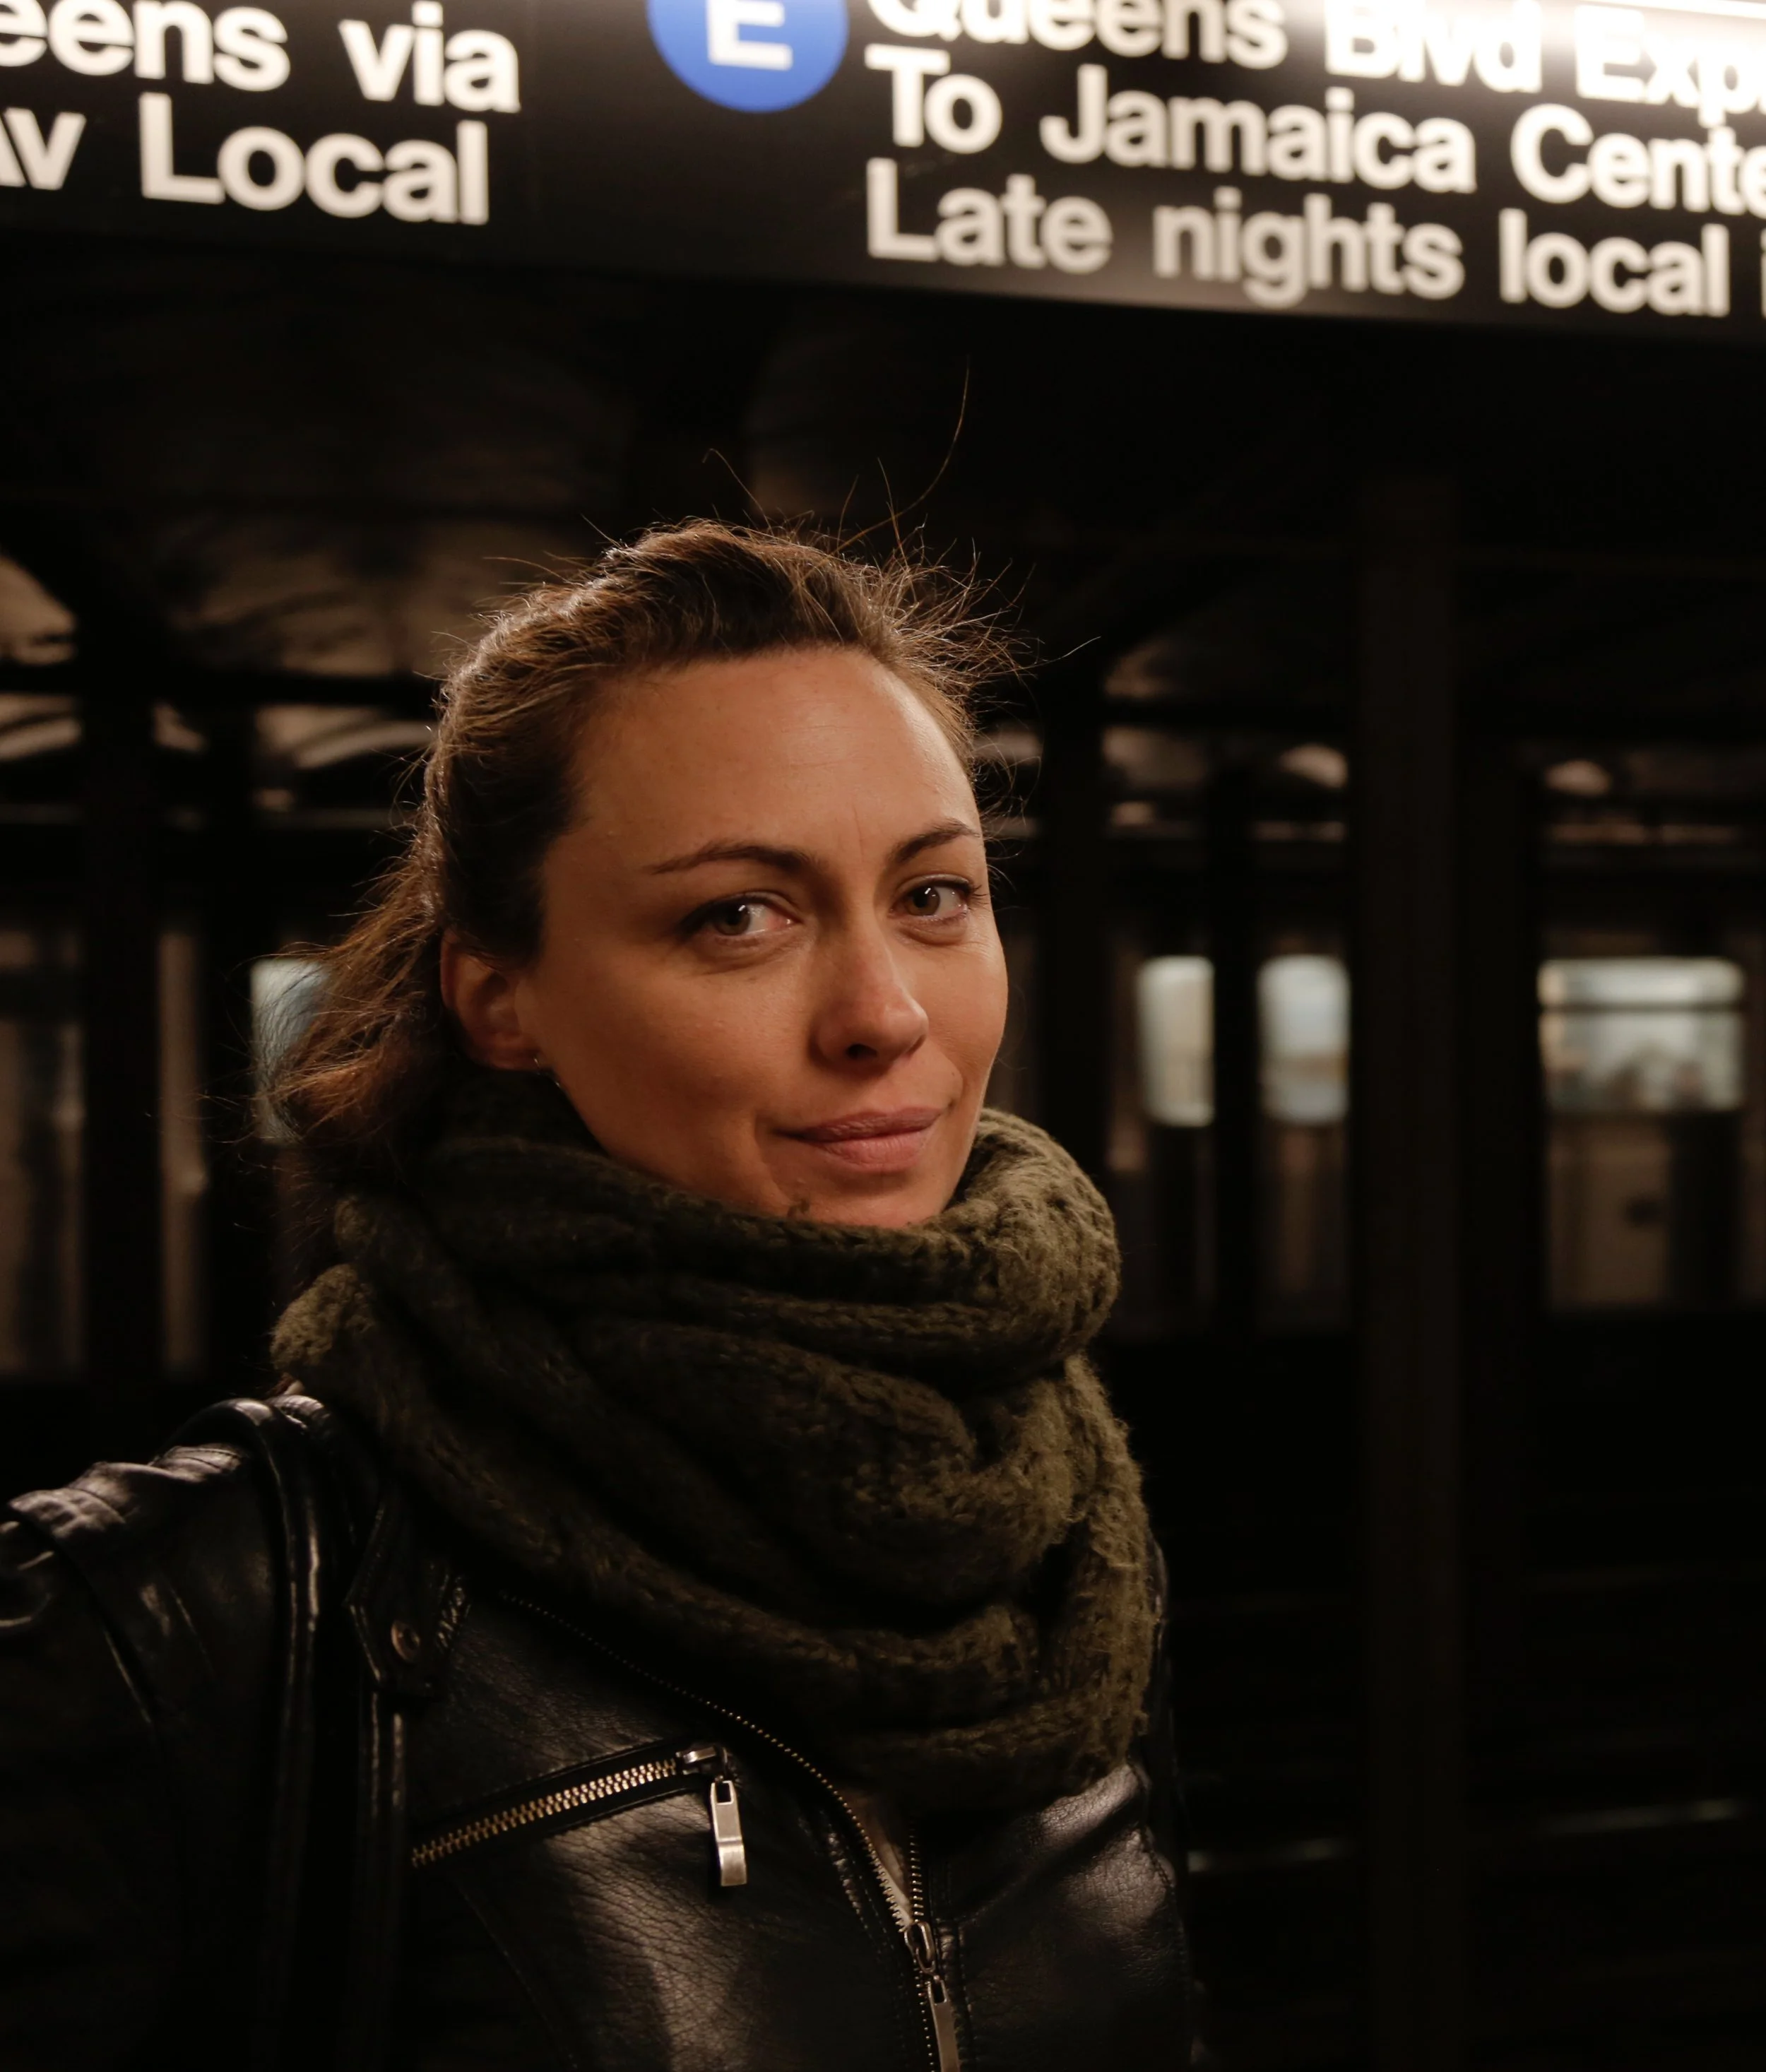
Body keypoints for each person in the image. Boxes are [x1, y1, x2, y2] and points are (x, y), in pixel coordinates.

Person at [0, 522, 1195, 2071]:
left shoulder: (1065, 1540)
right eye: (738, 915)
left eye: (934, 893)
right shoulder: (179, 1618)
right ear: (501, 998)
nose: (886, 1014)